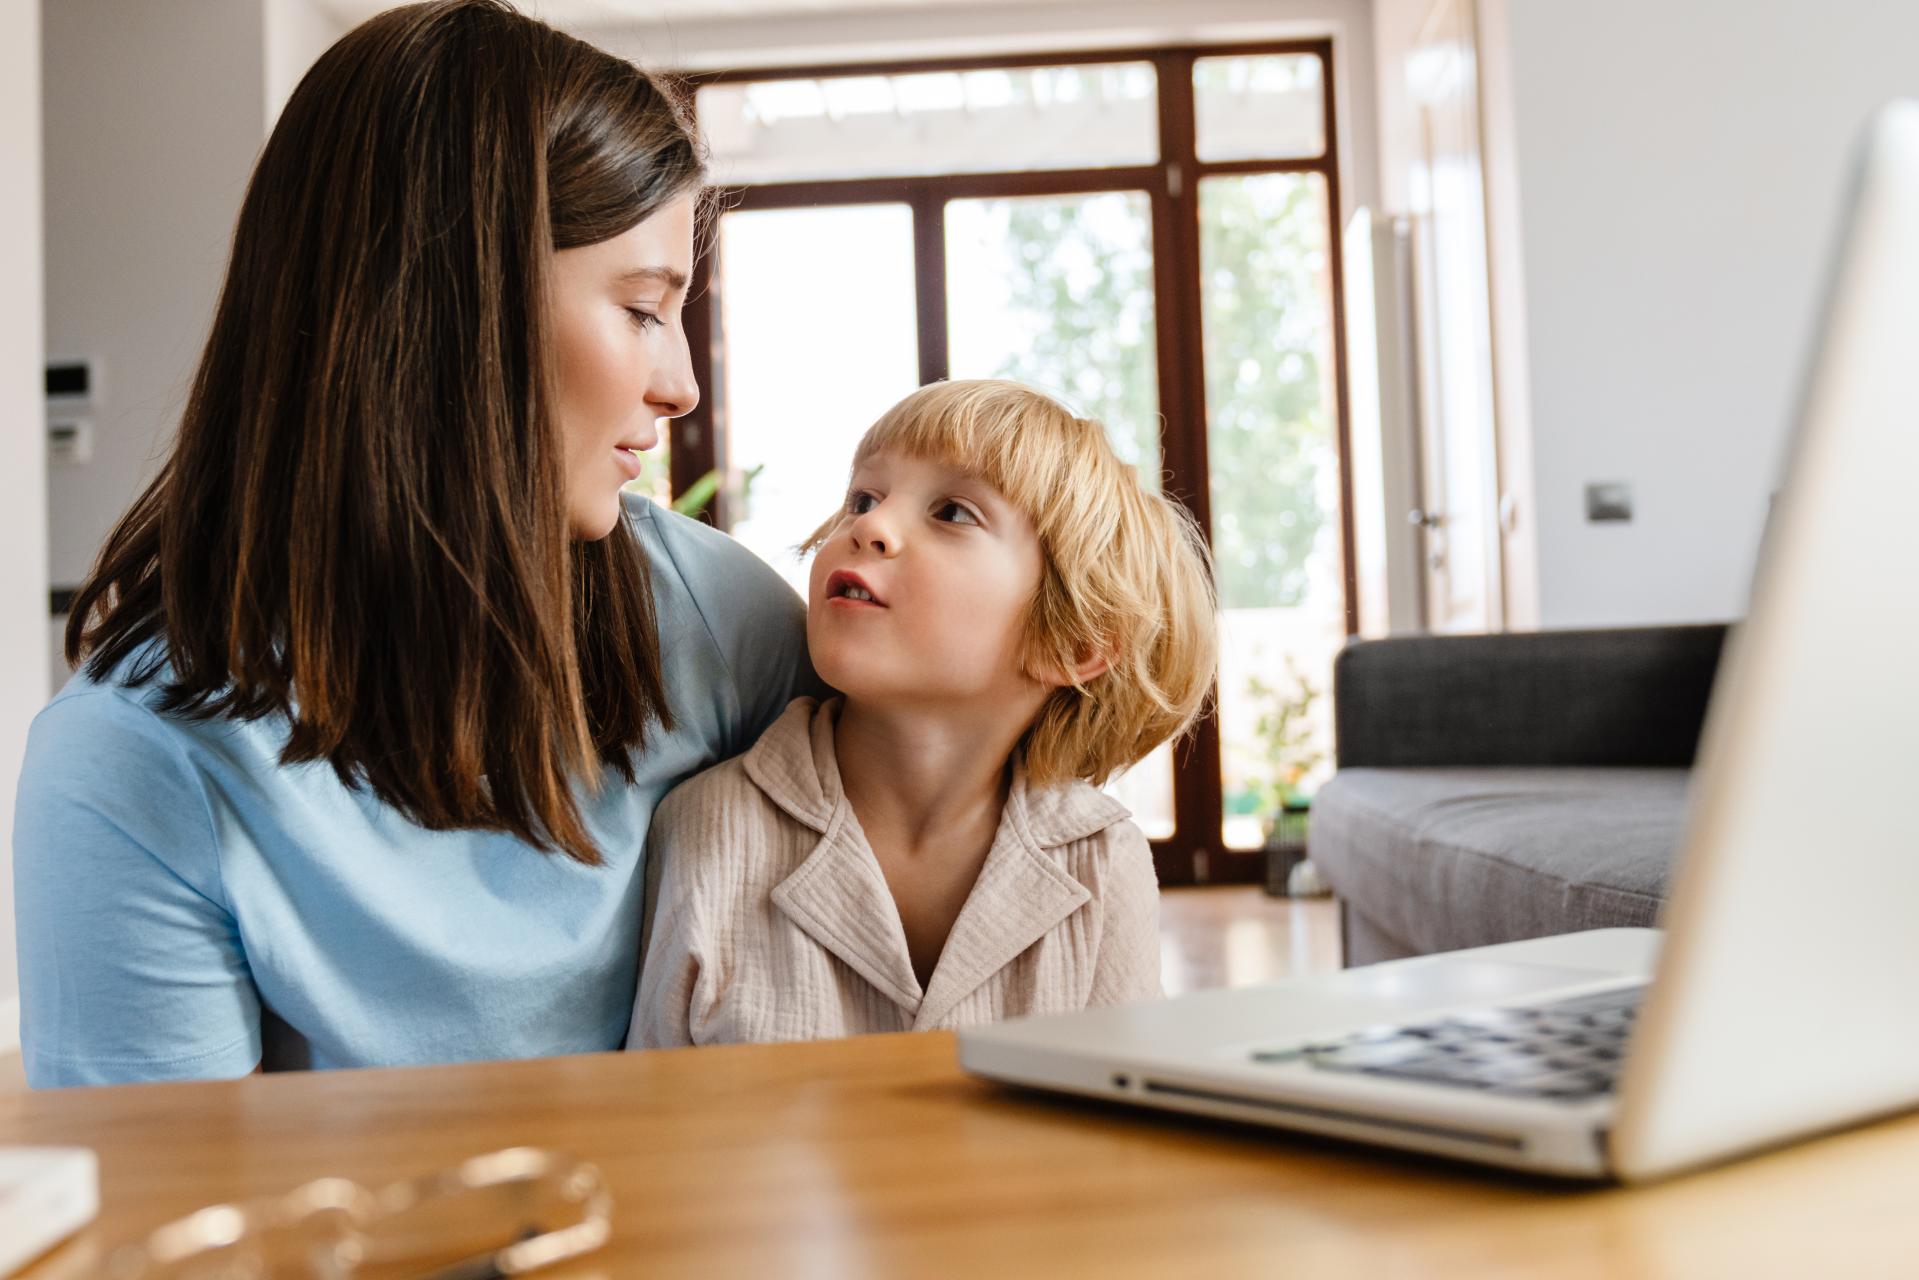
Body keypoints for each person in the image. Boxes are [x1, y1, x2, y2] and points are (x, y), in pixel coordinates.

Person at [11, 0, 823, 1088]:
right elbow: (177, 1236)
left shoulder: (725, 622)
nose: (677, 384)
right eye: (639, 308)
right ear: (455, 311)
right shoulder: (136, 758)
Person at [627, 380, 1218, 1048]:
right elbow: (655, 1114)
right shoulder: (709, 827)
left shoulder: (1103, 860)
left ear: (1073, 643)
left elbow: (1123, 1130)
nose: (868, 526)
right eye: (863, 497)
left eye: (953, 513)